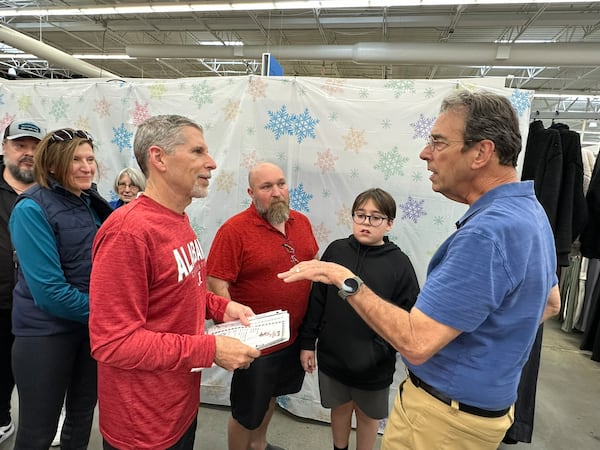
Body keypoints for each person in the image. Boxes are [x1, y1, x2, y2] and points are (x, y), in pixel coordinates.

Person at [278, 90, 562, 450]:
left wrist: (342, 279)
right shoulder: (529, 213)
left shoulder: (486, 234)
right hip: (482, 411)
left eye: (438, 142)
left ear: (481, 153)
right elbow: (550, 303)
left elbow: (415, 344)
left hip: (443, 421)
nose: (425, 153)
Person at [89, 114, 260, 450]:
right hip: (143, 425)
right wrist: (210, 349)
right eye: (198, 152)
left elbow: (184, 287)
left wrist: (222, 307)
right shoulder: (128, 232)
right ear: (159, 158)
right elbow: (112, 343)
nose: (211, 163)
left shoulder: (177, 219)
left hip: (179, 404)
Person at [9, 127, 113, 449]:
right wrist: (109, 313)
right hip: (45, 335)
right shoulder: (31, 209)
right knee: (38, 432)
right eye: (76, 160)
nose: (86, 166)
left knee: (81, 419)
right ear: (53, 165)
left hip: (89, 332)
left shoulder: (92, 203)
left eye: (90, 158)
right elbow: (48, 292)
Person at [207, 161, 319, 450]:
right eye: (266, 187)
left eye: (281, 184)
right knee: (246, 413)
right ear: (251, 192)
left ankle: (259, 445)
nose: (277, 192)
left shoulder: (302, 223)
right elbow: (216, 283)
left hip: (291, 337)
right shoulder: (234, 230)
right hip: (256, 345)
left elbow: (310, 267)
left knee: (272, 396)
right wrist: (235, 336)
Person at [299, 188, 419, 450]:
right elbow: (317, 300)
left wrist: (388, 349)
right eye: (361, 215)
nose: (366, 223)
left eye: (376, 217)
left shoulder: (399, 264)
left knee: (368, 417)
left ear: (390, 223)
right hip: (333, 357)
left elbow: (409, 317)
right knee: (340, 409)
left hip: (374, 366)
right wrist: (308, 343)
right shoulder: (336, 251)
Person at [0, 119, 45, 445]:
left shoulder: (56, 192)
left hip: (40, 307)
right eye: (20, 146)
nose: (27, 154)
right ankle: (2, 418)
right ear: (5, 149)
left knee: (42, 375)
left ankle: (47, 419)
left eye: (34, 147)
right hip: (0, 302)